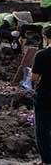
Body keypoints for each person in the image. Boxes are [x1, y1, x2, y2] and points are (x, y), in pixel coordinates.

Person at [32, 26, 51, 165]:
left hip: (45, 95)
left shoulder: (41, 55)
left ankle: (47, 160)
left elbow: (34, 77)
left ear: (46, 38)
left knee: (42, 129)